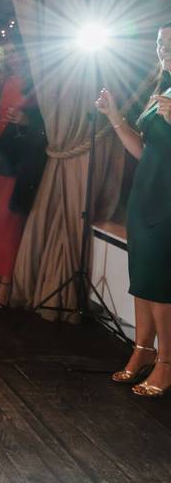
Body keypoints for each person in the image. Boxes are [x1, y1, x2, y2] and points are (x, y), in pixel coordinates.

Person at [96, 22, 171, 398]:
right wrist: (113, 116)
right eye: (160, 43)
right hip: (145, 196)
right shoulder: (162, 87)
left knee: (160, 284)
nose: (164, 50)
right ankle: (142, 350)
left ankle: (167, 364)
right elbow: (144, 150)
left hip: (169, 201)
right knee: (142, 279)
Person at [0, 39, 46, 308]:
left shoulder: (38, 81)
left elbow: (48, 121)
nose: (12, 56)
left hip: (19, 150)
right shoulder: (6, 79)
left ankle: (7, 284)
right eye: (7, 53)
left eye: (16, 50)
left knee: (9, 218)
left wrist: (28, 121)